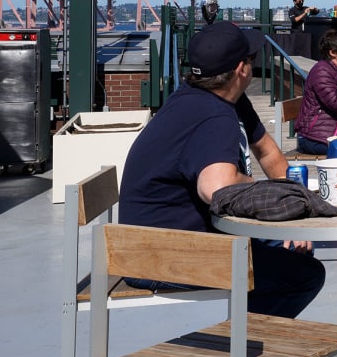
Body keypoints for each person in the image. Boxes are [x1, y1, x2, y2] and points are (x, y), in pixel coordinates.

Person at [118, 21, 324, 318]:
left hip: (175, 238)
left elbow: (267, 151)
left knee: (295, 249)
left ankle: (244, 339)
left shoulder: (219, 98)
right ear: (242, 69)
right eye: (252, 60)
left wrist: (293, 213)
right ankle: (240, 348)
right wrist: (271, 196)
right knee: (304, 275)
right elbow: (217, 187)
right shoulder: (213, 116)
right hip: (159, 254)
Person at [294, 29, 337, 155]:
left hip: (333, 134)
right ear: (333, 52)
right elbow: (336, 103)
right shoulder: (321, 71)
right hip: (314, 138)